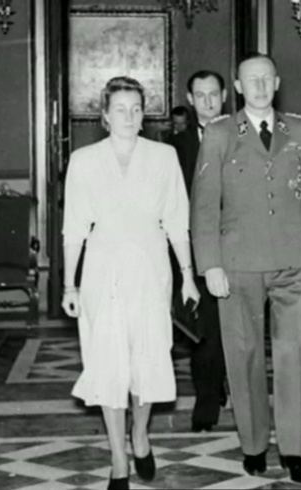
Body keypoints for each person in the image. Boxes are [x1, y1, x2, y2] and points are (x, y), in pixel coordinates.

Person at [190, 53, 301, 484]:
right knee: (245, 354)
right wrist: (210, 264)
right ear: (237, 87)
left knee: (295, 356)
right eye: (251, 80)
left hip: (294, 259)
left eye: (266, 79)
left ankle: (294, 449)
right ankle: (253, 445)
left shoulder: (300, 129)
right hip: (239, 264)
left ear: (277, 82)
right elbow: (204, 205)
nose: (259, 86)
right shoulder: (219, 134)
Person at [61, 76, 200, 490]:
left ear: (145, 114)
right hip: (102, 273)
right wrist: (70, 286)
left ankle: (140, 434)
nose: (128, 116)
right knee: (107, 364)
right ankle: (118, 459)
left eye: (136, 109)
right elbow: (74, 230)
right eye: (119, 109)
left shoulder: (163, 157)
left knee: (147, 361)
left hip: (149, 270)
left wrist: (188, 277)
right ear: (104, 116)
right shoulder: (84, 161)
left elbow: (177, 222)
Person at [167, 70, 228, 433]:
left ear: (224, 97)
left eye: (213, 94)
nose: (207, 101)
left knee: (234, 330)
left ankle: (223, 383)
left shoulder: (244, 137)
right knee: (204, 331)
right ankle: (207, 402)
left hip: (238, 249)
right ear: (190, 100)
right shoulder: (174, 148)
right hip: (194, 252)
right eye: (200, 95)